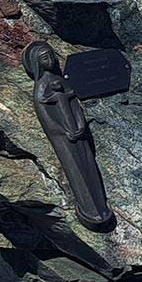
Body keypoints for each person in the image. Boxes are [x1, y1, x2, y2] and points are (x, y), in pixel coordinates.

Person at [23, 41, 114, 230]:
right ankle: (89, 210)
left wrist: (80, 125)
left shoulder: (63, 81)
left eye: (52, 55)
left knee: (90, 167)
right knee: (77, 172)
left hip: (78, 134)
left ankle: (101, 206)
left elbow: (75, 105)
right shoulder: (41, 87)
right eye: (45, 58)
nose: (52, 60)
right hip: (65, 139)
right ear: (37, 64)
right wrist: (63, 131)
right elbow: (46, 116)